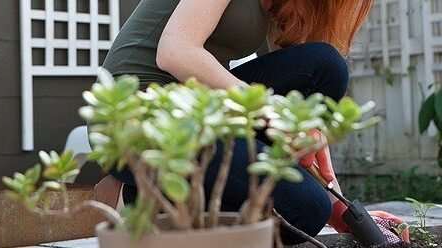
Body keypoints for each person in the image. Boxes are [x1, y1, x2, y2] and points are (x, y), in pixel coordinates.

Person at [93, 0, 410, 245]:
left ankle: (168, 195)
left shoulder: (285, 6)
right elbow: (175, 51)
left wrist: (342, 209)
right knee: (305, 211)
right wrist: (267, 108)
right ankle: (136, 197)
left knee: (326, 65)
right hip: (137, 115)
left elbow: (298, 117)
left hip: (201, 109)